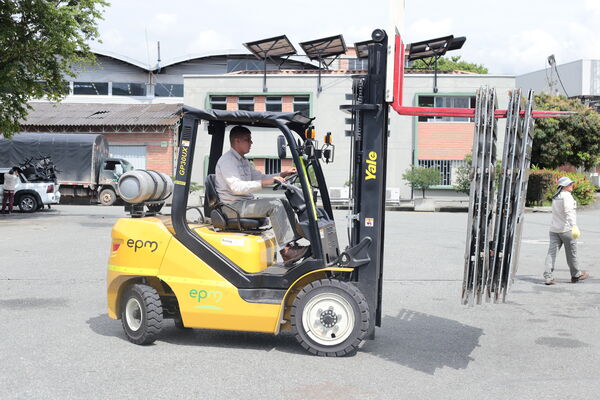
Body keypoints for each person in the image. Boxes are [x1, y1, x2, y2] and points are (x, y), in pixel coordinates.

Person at [215, 126, 308, 263]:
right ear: (237, 141)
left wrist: (282, 174)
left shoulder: (243, 161)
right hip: (233, 207)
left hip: (243, 204)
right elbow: (237, 187)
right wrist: (265, 182)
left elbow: (260, 176)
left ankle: (293, 243)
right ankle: (286, 251)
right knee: (275, 205)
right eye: (248, 139)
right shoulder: (227, 161)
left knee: (283, 201)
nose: (251, 143)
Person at [543, 176, 589, 285]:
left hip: (554, 229)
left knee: (551, 253)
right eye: (569, 184)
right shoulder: (567, 196)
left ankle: (548, 277)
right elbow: (569, 212)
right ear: (564, 186)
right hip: (566, 229)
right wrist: (574, 226)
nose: (571, 185)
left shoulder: (556, 196)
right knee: (572, 253)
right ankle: (576, 274)